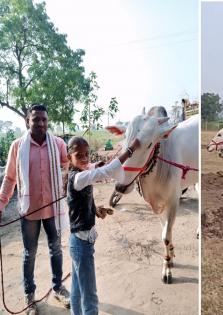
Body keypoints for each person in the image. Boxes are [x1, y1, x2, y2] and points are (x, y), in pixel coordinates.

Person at [0, 104, 70, 315]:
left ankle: (58, 287)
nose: (41, 123)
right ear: (27, 121)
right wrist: (1, 203)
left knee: (56, 249)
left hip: (54, 209)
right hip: (29, 211)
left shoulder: (58, 144)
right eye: (36, 119)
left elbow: (68, 167)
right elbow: (10, 178)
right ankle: (30, 296)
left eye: (44, 120)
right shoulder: (17, 146)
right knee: (29, 254)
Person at [66, 136, 140, 315]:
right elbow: (104, 172)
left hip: (79, 243)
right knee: (90, 298)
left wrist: (96, 210)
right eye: (79, 156)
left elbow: (92, 171)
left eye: (86, 155)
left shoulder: (80, 173)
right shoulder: (77, 178)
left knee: (77, 292)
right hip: (81, 246)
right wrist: (130, 150)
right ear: (69, 158)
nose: (85, 159)